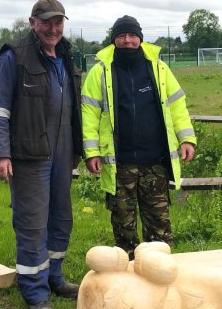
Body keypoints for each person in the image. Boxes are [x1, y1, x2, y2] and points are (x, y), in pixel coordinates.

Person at [0, 0, 83, 309]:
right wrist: (0, 153)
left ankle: (54, 276)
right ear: (32, 23)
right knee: (32, 223)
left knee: (61, 217)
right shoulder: (14, 56)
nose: (53, 28)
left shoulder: (67, 55)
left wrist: (78, 149)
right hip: (29, 154)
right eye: (46, 22)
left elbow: (74, 106)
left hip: (62, 150)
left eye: (58, 22)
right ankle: (34, 291)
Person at [82, 15, 196, 260]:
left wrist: (186, 139)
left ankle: (160, 275)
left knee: (159, 229)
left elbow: (177, 106)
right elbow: (89, 114)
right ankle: (129, 282)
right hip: (119, 164)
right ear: (114, 40)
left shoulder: (159, 68)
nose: (127, 41)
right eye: (121, 36)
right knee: (124, 229)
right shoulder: (100, 71)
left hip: (154, 163)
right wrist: (91, 152)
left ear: (140, 38)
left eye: (132, 36)